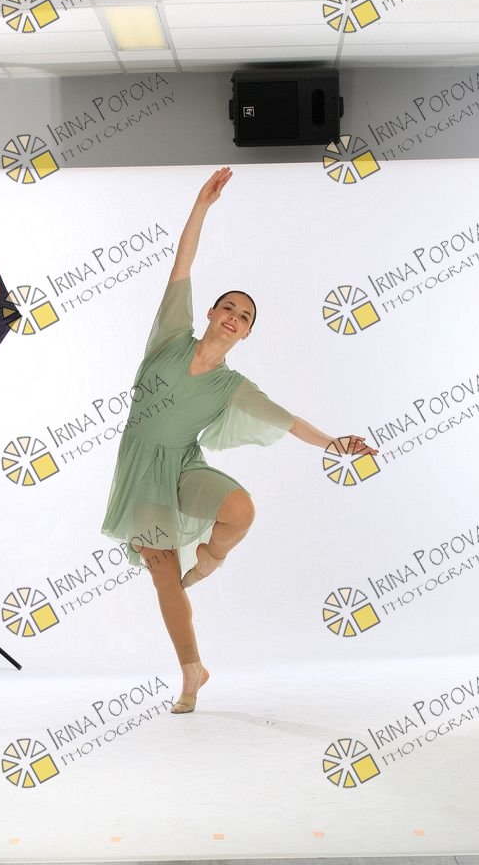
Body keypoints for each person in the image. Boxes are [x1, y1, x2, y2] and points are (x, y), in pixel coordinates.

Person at [101, 168, 378, 714]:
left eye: (245, 316)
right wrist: (201, 207)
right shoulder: (169, 338)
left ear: (247, 334)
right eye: (229, 307)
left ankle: (208, 561)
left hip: (183, 466)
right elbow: (182, 265)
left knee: (241, 509)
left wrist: (334, 443)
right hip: (140, 474)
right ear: (211, 313)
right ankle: (192, 671)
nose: (234, 316)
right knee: (163, 576)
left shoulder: (234, 387)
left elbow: (288, 420)